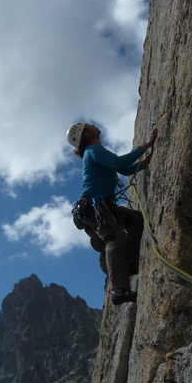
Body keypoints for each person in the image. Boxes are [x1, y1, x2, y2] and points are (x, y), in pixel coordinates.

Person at [67, 122, 158, 305]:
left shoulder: (96, 151)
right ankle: (118, 291)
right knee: (115, 241)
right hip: (95, 208)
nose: (93, 125)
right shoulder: (93, 150)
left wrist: (142, 164)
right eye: (89, 126)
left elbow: (122, 169)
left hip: (103, 206)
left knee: (136, 220)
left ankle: (131, 263)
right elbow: (119, 163)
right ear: (85, 135)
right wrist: (146, 145)